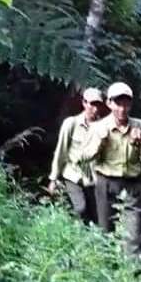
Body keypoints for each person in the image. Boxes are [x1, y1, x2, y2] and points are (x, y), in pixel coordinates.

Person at [80, 81, 141, 255]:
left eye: (126, 103)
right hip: (106, 184)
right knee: (106, 233)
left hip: (132, 185)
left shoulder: (140, 126)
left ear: (130, 104)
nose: (122, 108)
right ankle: (107, 273)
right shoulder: (98, 127)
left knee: (133, 236)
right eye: (117, 103)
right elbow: (84, 157)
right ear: (109, 104)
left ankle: (131, 276)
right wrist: (99, 142)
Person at [47, 87, 105, 224]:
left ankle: (92, 240)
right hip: (73, 175)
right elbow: (61, 151)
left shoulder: (104, 126)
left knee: (97, 214)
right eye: (91, 104)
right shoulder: (71, 123)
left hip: (94, 177)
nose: (94, 108)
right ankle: (78, 231)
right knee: (80, 208)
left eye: (97, 104)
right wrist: (53, 179)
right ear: (84, 103)